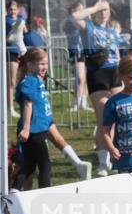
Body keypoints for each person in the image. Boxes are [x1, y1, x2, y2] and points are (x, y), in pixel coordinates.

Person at [12, 48, 92, 189]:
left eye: (46, 64)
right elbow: (27, 105)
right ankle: (43, 193)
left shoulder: (37, 80)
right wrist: (25, 128)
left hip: (41, 126)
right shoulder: (29, 81)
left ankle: (13, 192)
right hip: (34, 130)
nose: (45, 67)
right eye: (41, 64)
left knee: (30, 165)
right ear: (30, 64)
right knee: (44, 164)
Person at [72, 0, 123, 175]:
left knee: (116, 118)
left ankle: (113, 158)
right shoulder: (89, 28)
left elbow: (117, 54)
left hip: (114, 74)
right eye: (101, 10)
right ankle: (102, 163)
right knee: (103, 119)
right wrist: (94, 7)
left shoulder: (113, 31)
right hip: (97, 74)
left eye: (106, 10)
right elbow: (75, 16)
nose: (104, 13)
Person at [62, 3, 89, 111]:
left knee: (85, 79)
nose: (83, 12)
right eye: (80, 10)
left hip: (83, 50)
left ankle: (83, 102)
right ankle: (77, 103)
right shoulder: (70, 20)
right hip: (76, 51)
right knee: (80, 79)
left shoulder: (83, 21)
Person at [6, 0, 26, 117]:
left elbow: (23, 34)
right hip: (9, 53)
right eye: (10, 9)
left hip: (18, 52)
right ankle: (10, 108)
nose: (12, 11)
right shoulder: (6, 20)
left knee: (17, 80)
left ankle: (17, 103)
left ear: (17, 10)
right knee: (11, 81)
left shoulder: (20, 20)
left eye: (14, 9)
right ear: (7, 10)